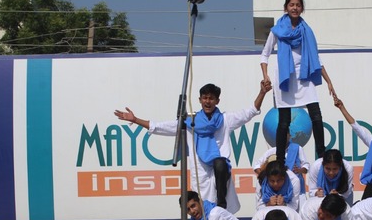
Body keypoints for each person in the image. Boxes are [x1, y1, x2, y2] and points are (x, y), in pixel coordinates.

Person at [114, 81, 272, 213]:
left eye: (211, 98)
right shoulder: (190, 122)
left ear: (217, 101)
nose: (207, 101)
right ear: (199, 100)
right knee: (201, 215)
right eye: (205, 98)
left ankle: (221, 204)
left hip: (220, 174)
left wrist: (262, 92)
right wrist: (135, 120)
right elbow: (161, 127)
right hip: (200, 173)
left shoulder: (225, 119)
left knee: (220, 166)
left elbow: (250, 112)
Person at [261, 0, 336, 165]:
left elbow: (316, 58)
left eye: (298, 5)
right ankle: (280, 160)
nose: (295, 8)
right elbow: (264, 55)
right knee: (284, 121)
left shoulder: (306, 30)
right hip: (285, 77)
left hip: (304, 76)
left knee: (316, 116)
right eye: (291, 5)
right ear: (286, 8)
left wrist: (329, 81)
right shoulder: (277, 30)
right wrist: (265, 76)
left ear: (302, 8)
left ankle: (322, 156)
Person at [253, 132, 310, 203]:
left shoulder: (297, 149)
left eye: (285, 134)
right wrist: (266, 175)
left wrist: (299, 170)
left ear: (289, 135)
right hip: (274, 191)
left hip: (296, 190)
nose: (283, 136)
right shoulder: (271, 151)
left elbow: (306, 166)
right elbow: (256, 166)